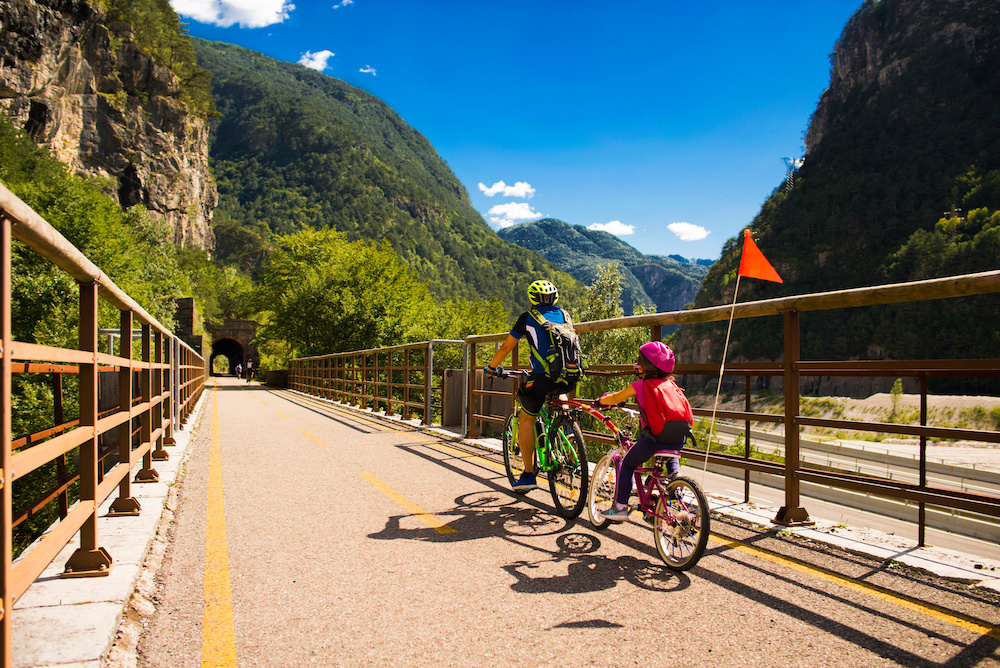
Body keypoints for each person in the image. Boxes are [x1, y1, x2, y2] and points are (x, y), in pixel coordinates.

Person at [485, 280, 579, 491]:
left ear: (531, 299)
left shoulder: (527, 318)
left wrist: (492, 367)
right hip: (569, 374)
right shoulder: (565, 316)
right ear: (555, 298)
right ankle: (567, 429)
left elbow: (507, 347)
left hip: (542, 376)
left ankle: (528, 474)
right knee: (559, 392)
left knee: (527, 419)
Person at [592, 340, 693, 521]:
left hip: (654, 439)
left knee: (629, 464)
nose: (637, 364)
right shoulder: (673, 386)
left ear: (646, 367)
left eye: (640, 361)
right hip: (679, 438)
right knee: (669, 457)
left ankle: (620, 507)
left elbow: (616, 397)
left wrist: (600, 401)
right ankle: (674, 485)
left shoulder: (641, 385)